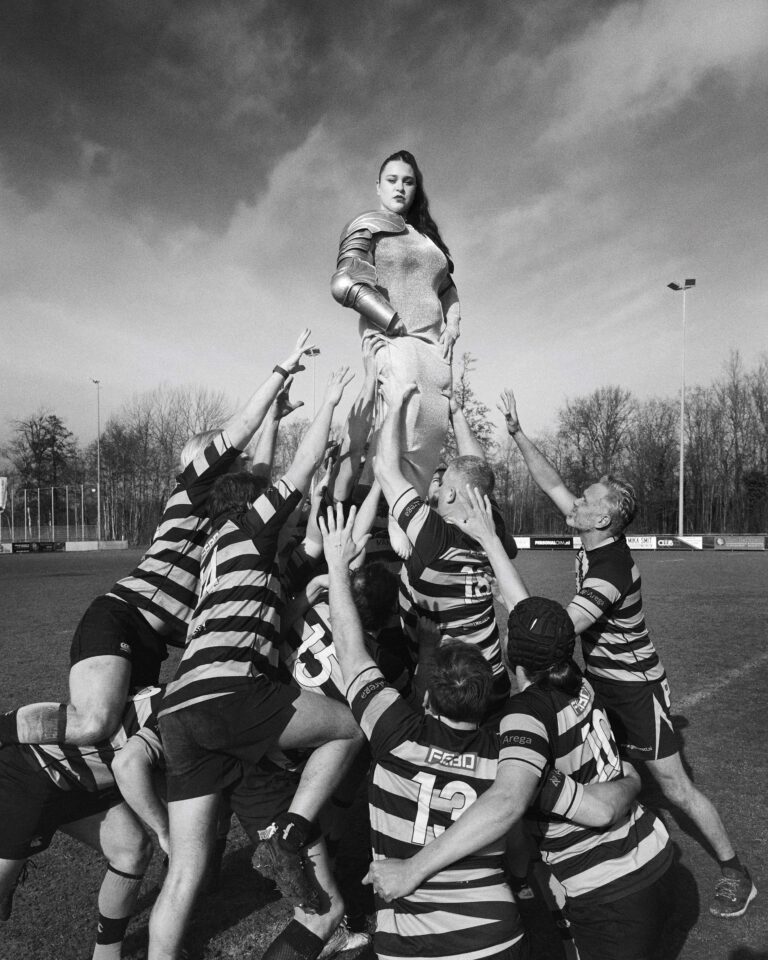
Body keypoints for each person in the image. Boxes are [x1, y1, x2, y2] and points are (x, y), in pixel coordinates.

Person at [497, 386, 757, 919]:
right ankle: (579, 857)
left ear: (605, 520)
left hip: (636, 690)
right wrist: (519, 434)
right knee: (602, 771)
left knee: (677, 788)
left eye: (588, 501)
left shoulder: (612, 569)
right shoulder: (591, 533)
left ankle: (736, 870)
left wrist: (510, 590)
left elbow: (558, 631)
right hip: (602, 684)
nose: (577, 502)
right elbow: (551, 483)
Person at [0, 331, 318, 748]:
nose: (244, 467)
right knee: (95, 724)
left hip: (155, 649)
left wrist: (276, 421)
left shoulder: (237, 525)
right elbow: (242, 427)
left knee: (122, 745)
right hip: (122, 616)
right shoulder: (190, 493)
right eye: (235, 461)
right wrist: (280, 371)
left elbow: (257, 481)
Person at [148, 368, 365, 960]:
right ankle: (293, 828)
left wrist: (308, 588)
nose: (290, 519)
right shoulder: (252, 530)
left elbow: (305, 552)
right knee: (350, 723)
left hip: (181, 713)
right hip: (231, 699)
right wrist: (334, 405)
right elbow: (298, 466)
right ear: (257, 508)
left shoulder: (216, 556)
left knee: (186, 873)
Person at [366, 597, 675, 960]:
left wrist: (412, 869)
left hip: (607, 888)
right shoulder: (576, 679)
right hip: (652, 855)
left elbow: (514, 802)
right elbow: (551, 631)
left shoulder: (522, 721)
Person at [319, 504, 528, 960]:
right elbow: (519, 858)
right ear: (490, 694)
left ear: (427, 697)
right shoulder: (512, 758)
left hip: (410, 944)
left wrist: (336, 566)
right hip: (495, 937)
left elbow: (351, 651)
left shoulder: (394, 733)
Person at [374, 373, 510, 714]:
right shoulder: (490, 530)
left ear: (448, 493)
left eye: (444, 479)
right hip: (494, 678)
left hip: (452, 689)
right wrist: (457, 414)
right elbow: (478, 472)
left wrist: (394, 407)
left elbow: (385, 469)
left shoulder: (434, 536)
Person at [331, 149, 460, 502]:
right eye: (392, 180)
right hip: (392, 337)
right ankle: (383, 508)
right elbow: (344, 283)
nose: (400, 187)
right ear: (378, 186)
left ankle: (410, 510)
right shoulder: (368, 226)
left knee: (431, 429)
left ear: (416, 188)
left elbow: (446, 286)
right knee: (403, 414)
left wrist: (453, 322)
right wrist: (391, 319)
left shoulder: (427, 238)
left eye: (408, 181)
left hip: (434, 346)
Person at [0, 687, 163, 960]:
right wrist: (168, 831)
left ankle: (106, 956)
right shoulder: (197, 707)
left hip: (83, 777)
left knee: (131, 850)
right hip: (29, 772)